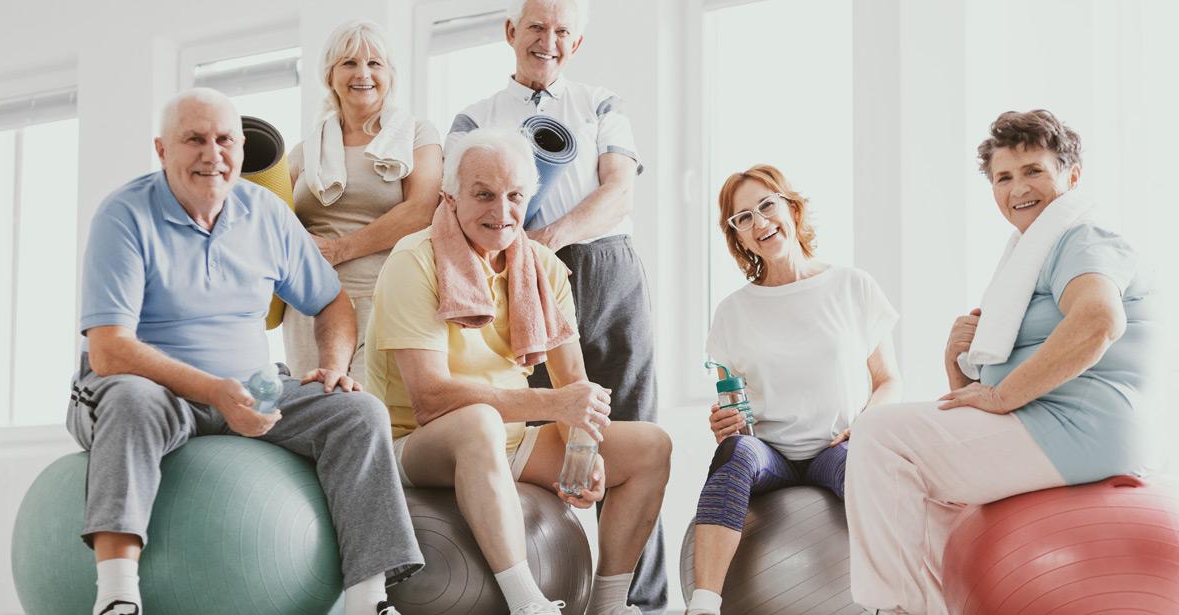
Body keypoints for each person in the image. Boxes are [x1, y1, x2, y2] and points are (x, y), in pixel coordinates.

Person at [67, 88, 421, 615]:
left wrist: (331, 366)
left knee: (359, 412)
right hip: (149, 389)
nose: (214, 155)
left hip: (252, 387)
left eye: (225, 140)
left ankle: (368, 599)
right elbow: (111, 351)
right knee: (131, 400)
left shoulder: (266, 215)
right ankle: (117, 595)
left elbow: (332, 304)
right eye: (195, 140)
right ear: (163, 150)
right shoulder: (124, 214)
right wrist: (213, 391)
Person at [846, 110, 1161, 615]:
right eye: (1004, 177)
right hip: (1055, 422)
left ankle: (897, 609)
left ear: (1071, 176)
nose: (1019, 188)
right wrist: (960, 370)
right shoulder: (1031, 251)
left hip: (1082, 427)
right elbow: (1003, 373)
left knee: (880, 435)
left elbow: (1099, 321)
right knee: (917, 480)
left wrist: (1002, 395)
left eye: (1034, 170)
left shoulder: (1083, 237)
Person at [365, 128, 671, 615]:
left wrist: (583, 450)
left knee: (651, 447)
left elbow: (573, 383)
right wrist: (552, 406)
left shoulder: (543, 268)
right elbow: (429, 398)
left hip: (506, 443)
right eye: (483, 194)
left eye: (514, 196)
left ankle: (609, 606)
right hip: (414, 445)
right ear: (450, 196)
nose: (501, 212)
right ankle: (528, 603)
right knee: (478, 421)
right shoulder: (413, 261)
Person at [444, 1, 667, 610]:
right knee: (542, 436)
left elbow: (618, 189)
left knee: (633, 433)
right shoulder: (474, 117)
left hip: (607, 269)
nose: (548, 40)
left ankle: (636, 602)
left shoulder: (601, 103)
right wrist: (524, 262)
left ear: (578, 42)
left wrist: (547, 240)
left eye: (562, 31)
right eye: (536, 27)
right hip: (517, 283)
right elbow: (454, 205)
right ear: (510, 32)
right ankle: (549, 590)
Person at [684, 165, 902, 615]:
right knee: (734, 454)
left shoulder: (852, 286)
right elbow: (732, 403)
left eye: (767, 206)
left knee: (866, 471)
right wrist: (726, 421)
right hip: (770, 455)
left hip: (835, 446)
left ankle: (898, 603)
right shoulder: (732, 312)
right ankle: (702, 606)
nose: (760, 222)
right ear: (738, 238)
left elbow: (888, 380)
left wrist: (866, 425)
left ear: (791, 207)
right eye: (743, 218)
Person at [283, 19, 443, 382]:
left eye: (375, 64)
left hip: (384, 296)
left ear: (390, 74)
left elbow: (421, 211)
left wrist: (339, 249)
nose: (363, 74)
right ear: (330, 75)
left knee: (370, 414)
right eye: (349, 63)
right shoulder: (303, 151)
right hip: (311, 304)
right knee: (314, 410)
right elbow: (276, 219)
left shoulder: (418, 134)